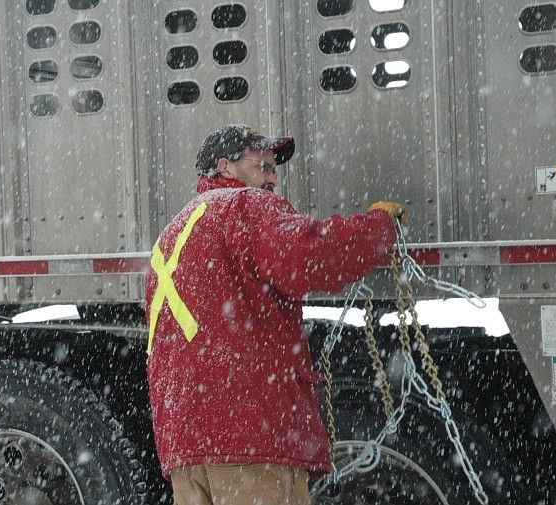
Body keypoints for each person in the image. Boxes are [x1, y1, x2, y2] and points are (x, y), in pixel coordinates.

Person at [145, 124, 406, 505]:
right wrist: (380, 230)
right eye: (262, 165)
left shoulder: (171, 235)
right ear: (226, 168)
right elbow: (311, 255)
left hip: (185, 446)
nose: (272, 178)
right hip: (249, 441)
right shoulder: (245, 208)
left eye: (273, 168)